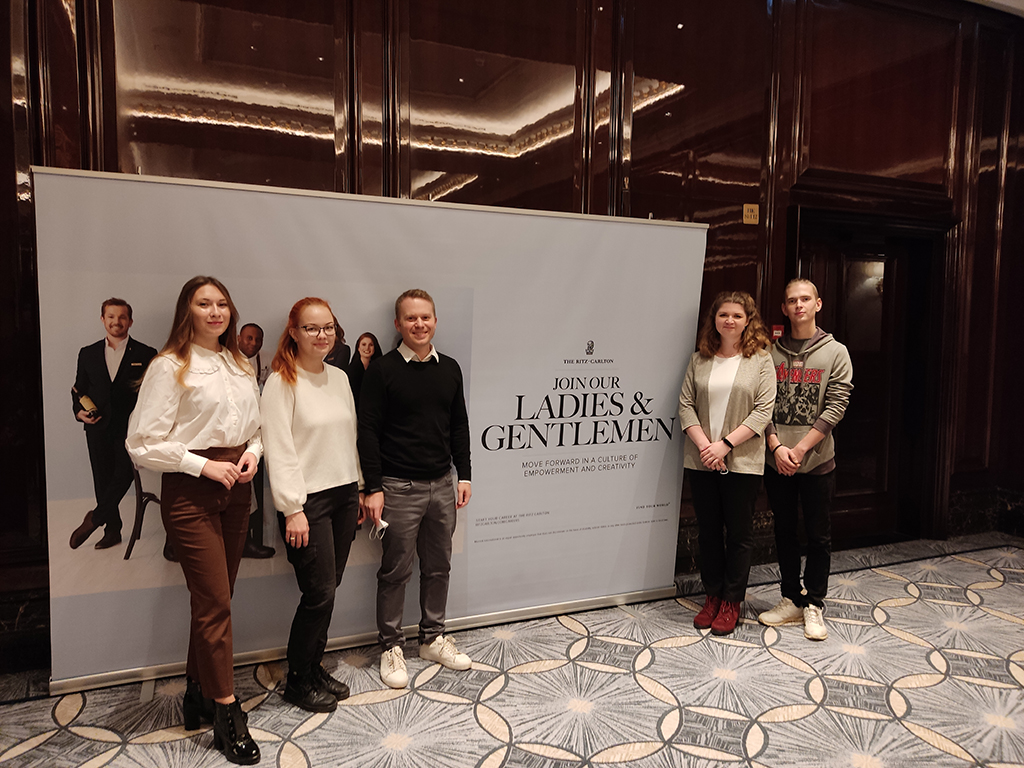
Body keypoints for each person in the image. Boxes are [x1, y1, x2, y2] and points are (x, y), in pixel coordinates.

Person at [126, 276, 262, 765]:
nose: (215, 311)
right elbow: (141, 443)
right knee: (215, 602)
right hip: (191, 491)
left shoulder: (239, 362)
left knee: (215, 601)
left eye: (222, 303)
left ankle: (197, 691)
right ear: (188, 311)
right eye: (204, 303)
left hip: (238, 487)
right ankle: (226, 712)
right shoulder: (169, 366)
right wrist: (202, 466)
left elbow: (256, 427)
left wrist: (254, 453)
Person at [358, 289, 473, 689]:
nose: (419, 324)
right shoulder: (382, 371)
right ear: (398, 324)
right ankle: (391, 646)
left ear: (435, 321)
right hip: (397, 488)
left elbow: (459, 425)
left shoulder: (450, 368)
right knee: (395, 571)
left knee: (439, 566)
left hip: (442, 484)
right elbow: (367, 432)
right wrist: (373, 487)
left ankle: (432, 638)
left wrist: (464, 475)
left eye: (425, 317)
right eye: (411, 318)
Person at [261, 298, 363, 712]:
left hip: (343, 494)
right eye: (311, 328)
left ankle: (313, 666)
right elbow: (278, 448)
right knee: (318, 592)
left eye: (328, 327)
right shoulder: (281, 381)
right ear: (294, 332)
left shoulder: (339, 378)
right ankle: (298, 680)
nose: (322, 335)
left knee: (330, 588)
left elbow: (349, 439)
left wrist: (359, 488)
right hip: (308, 501)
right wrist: (292, 508)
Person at [757, 278, 853, 641]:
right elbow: (761, 404)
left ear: (818, 304)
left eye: (805, 299)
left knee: (818, 535)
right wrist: (776, 446)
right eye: (792, 300)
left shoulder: (836, 352)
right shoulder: (769, 353)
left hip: (816, 462)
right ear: (784, 308)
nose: (799, 305)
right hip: (777, 460)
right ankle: (790, 598)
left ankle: (813, 602)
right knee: (783, 531)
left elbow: (836, 406)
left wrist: (799, 450)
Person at [678, 290, 775, 636]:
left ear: (748, 321)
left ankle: (732, 601)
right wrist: (706, 447)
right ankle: (712, 596)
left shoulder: (761, 360)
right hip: (702, 460)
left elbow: (763, 411)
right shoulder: (699, 359)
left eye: (736, 315)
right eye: (723, 315)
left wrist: (725, 445)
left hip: (742, 461)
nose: (729, 320)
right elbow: (685, 405)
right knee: (707, 533)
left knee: (739, 534)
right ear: (714, 320)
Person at [70, 298, 156, 550]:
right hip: (96, 426)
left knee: (124, 473)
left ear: (130, 321)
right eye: (111, 316)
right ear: (102, 319)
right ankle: (112, 530)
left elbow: (154, 393)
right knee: (102, 478)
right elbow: (78, 389)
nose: (116, 321)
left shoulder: (146, 353)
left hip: (131, 427)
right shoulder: (87, 353)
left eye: (121, 317)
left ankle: (95, 518)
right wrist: (79, 413)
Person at [237, 322, 275, 559]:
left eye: (257, 339)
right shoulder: (227, 360)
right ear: (238, 338)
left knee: (254, 487)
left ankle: (251, 539)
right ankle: (243, 541)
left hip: (256, 431)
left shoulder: (267, 361)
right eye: (248, 338)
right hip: (234, 434)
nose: (253, 343)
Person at [346, 331, 382, 409]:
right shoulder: (352, 370)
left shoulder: (378, 369)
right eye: (363, 344)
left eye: (371, 345)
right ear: (358, 347)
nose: (367, 348)